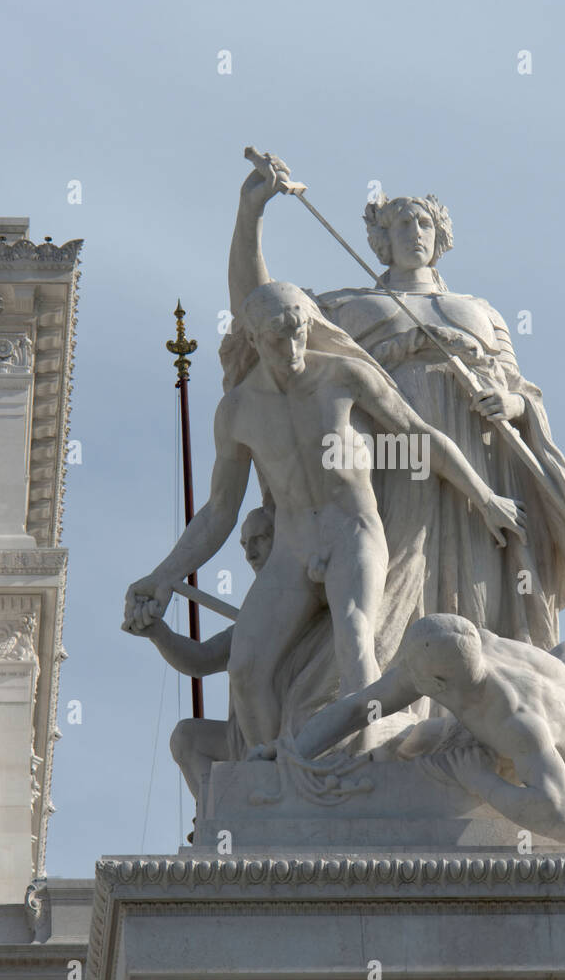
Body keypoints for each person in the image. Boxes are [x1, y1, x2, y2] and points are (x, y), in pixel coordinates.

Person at [226, 155, 565, 666]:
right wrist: (252, 213)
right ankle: (382, 702)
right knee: (391, 577)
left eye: (424, 221)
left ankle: (473, 703)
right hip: (390, 454)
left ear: (440, 235)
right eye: (400, 222)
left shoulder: (482, 312)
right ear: (380, 238)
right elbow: (258, 307)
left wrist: (513, 404)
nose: (414, 231)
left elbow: (521, 389)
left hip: (479, 454)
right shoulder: (350, 305)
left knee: (482, 584)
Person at [125, 281, 526, 748]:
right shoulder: (236, 412)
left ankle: (368, 760)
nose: (293, 345)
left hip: (350, 531)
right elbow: (219, 512)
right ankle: (272, 780)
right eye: (278, 335)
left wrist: (484, 497)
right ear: (252, 338)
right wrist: (162, 577)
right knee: (247, 671)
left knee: (357, 644)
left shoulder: (344, 376)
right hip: (292, 549)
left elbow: (420, 438)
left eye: (300, 329)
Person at [285, 614, 565, 843]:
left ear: (437, 685)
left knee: (427, 742)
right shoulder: (468, 647)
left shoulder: (517, 722)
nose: (403, 680)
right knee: (424, 739)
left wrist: (481, 781)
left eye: (414, 677)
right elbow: (360, 706)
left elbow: (563, 821)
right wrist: (291, 753)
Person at [123, 506, 275, 799]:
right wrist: (158, 633)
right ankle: (217, 817)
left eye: (260, 539)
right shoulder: (252, 620)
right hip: (246, 740)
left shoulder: (302, 606)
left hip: (292, 733)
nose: (250, 554)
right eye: (245, 544)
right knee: (187, 739)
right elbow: (201, 660)